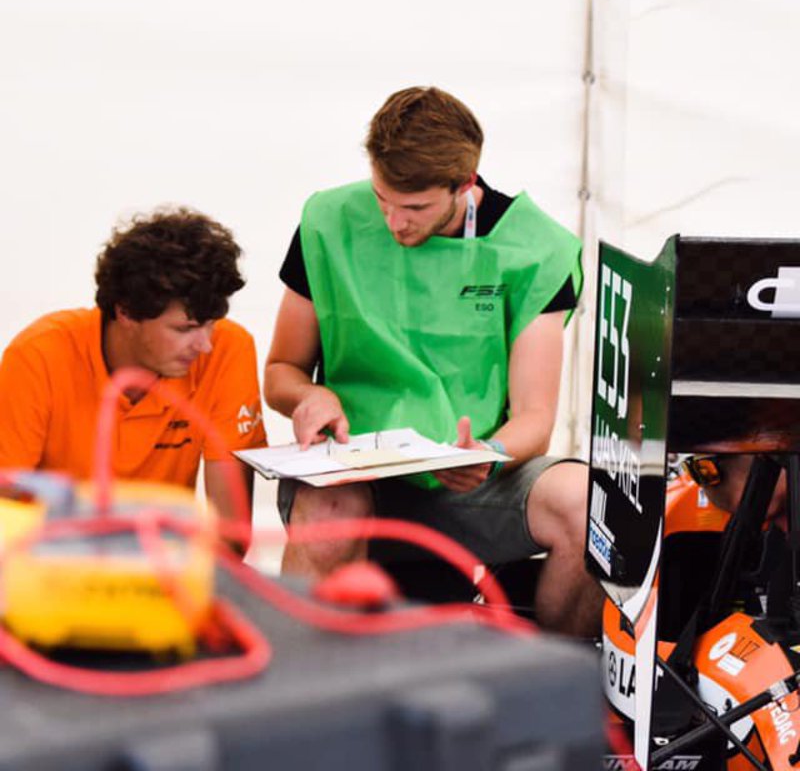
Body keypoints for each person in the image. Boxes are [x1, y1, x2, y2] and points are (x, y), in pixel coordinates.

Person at [265, 86, 601, 636]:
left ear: (465, 184)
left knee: (590, 508)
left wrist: (487, 455)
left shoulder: (536, 249)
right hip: (352, 470)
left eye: (415, 207)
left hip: (476, 476)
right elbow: (281, 371)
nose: (394, 222)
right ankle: (299, 693)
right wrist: (310, 396)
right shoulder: (327, 220)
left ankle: (553, 683)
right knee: (331, 512)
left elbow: (535, 423)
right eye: (382, 199)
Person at [0, 207, 267, 526]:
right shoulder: (38, 355)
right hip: (52, 561)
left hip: (162, 561)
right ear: (125, 312)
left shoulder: (229, 348)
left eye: (212, 324)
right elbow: (5, 516)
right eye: (185, 329)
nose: (205, 344)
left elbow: (231, 535)